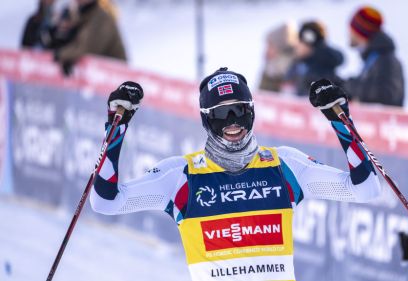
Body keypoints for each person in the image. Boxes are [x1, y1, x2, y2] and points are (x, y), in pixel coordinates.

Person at [90, 68, 381, 281]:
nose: (232, 122)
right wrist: (117, 126)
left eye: (239, 111)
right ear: (206, 118)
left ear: (251, 113)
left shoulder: (284, 165)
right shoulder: (181, 176)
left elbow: (365, 188)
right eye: (221, 113)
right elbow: (106, 202)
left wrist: (339, 118)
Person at [344, 6, 405, 107]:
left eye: (352, 28)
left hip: (386, 122)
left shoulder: (386, 60)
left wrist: (350, 86)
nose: (349, 33)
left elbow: (387, 96)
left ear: (361, 31)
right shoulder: (373, 59)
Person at [54, 0, 127, 75]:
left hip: (114, 75)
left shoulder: (101, 18)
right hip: (97, 73)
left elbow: (89, 48)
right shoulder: (83, 15)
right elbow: (76, 43)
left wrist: (60, 54)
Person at [283, 20, 344, 97]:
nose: (296, 45)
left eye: (300, 41)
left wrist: (317, 50)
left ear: (309, 44)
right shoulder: (298, 63)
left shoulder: (322, 66)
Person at [258, 23, 298, 93]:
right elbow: (261, 92)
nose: (267, 50)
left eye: (271, 45)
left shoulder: (296, 68)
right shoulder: (270, 67)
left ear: (280, 48)